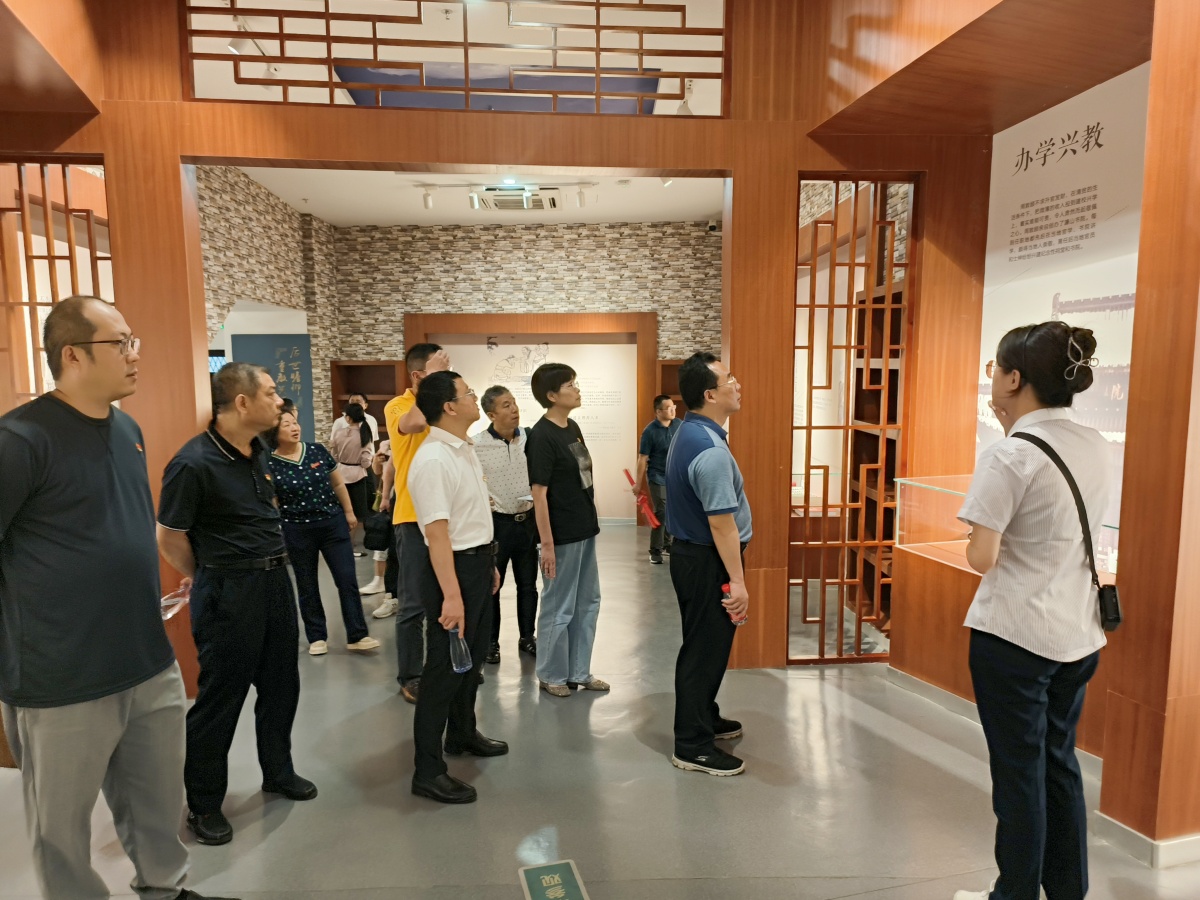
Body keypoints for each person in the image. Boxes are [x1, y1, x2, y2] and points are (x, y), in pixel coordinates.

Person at [0, 296, 233, 900]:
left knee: (157, 802)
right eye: (120, 343)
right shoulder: (20, 440)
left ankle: (164, 889)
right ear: (72, 355)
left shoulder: (126, 429)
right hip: (62, 674)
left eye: (134, 341)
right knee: (60, 829)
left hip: (144, 657)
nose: (135, 355)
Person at [953, 323, 1109, 900]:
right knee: (1059, 764)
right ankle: (1068, 891)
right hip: (1078, 633)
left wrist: (977, 531)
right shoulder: (1093, 442)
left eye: (995, 369)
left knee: (1018, 777)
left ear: (1014, 378)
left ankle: (1013, 894)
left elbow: (982, 558)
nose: (992, 378)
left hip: (1015, 637)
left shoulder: (1010, 454)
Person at [157, 362, 317, 848]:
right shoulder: (193, 462)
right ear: (242, 402)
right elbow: (169, 537)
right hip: (229, 590)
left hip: (275, 582)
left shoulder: (259, 449)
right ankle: (204, 804)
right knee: (221, 698)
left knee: (281, 684)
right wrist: (209, 573)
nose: (280, 401)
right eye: (270, 393)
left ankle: (278, 770)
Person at [406, 371, 508, 804]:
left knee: (472, 659)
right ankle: (427, 771)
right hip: (453, 572)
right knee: (443, 671)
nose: (473, 398)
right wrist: (452, 595)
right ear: (449, 406)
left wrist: (488, 563)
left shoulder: (463, 448)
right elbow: (437, 535)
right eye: (468, 394)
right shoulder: (433, 459)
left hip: (476, 564)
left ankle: (462, 733)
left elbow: (470, 516)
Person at [664, 352, 750, 776]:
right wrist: (738, 581)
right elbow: (721, 525)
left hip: (693, 557)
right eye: (729, 379)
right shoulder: (709, 449)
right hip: (706, 560)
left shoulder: (690, 430)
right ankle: (692, 745)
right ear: (710, 394)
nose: (737, 384)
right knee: (703, 651)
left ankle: (704, 716)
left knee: (707, 646)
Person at [268, 409, 380, 656]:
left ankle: (357, 635)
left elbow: (337, 483)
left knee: (347, 579)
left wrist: (349, 512)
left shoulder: (316, 450)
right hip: (297, 529)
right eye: (287, 425)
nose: (295, 427)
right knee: (307, 583)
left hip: (332, 524)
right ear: (274, 432)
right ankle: (317, 636)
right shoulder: (270, 462)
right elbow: (273, 500)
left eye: (295, 423)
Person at [526, 363, 608, 698]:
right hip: (560, 536)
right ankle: (551, 674)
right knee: (558, 605)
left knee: (588, 601)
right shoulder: (541, 436)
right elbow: (539, 495)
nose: (577, 389)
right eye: (570, 384)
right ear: (551, 395)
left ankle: (579, 671)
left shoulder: (571, 426)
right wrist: (546, 544)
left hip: (584, 529)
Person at [384, 343, 452, 703]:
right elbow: (413, 423)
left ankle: (444, 668)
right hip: (412, 516)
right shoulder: (398, 405)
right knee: (413, 603)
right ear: (417, 375)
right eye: (438, 369)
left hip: (448, 514)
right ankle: (410, 675)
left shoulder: (444, 404)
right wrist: (435, 382)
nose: (445, 376)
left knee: (448, 596)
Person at [473, 386, 539, 664]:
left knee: (528, 585)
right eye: (506, 405)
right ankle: (490, 642)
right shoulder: (476, 445)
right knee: (493, 587)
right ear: (491, 414)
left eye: (514, 403)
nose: (514, 409)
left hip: (527, 523)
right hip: (497, 525)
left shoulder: (530, 438)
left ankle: (528, 637)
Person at [632, 393, 681, 564]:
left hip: (675, 476)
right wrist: (638, 484)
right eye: (668, 408)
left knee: (672, 510)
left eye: (673, 407)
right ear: (658, 412)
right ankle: (655, 550)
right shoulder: (650, 431)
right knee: (661, 511)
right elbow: (642, 458)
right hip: (657, 476)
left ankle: (668, 544)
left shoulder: (679, 425)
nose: (673, 410)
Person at [328, 402, 374, 556]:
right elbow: (366, 461)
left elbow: (334, 457)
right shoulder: (364, 433)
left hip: (340, 475)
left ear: (348, 418)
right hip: (358, 475)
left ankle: (338, 543)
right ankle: (350, 545)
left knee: (341, 511)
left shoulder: (338, 433)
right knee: (354, 513)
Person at [360, 437, 395, 602]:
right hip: (388, 496)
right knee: (381, 535)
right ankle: (378, 580)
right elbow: (377, 471)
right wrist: (377, 460)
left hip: (405, 497)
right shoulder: (385, 444)